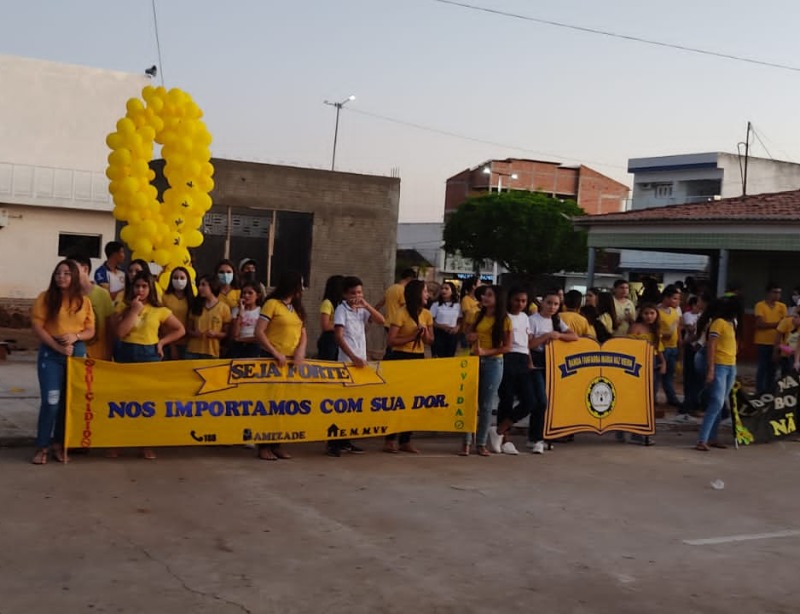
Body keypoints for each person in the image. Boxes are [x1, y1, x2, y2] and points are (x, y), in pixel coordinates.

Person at [112, 271, 185, 459]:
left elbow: (180, 330)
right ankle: (116, 443)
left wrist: (162, 342)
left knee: (147, 403)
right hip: (126, 353)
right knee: (123, 401)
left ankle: (146, 444)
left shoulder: (160, 310)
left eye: (144, 286)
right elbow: (120, 332)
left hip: (149, 354)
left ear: (150, 289)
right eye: (137, 286)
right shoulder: (124, 306)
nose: (141, 290)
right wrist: (134, 311)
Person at [31, 260, 95, 465]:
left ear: (75, 277)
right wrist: (58, 347)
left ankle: (60, 444)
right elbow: (38, 327)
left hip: (76, 355)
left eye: (67, 273)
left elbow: (90, 330)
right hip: (52, 354)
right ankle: (42, 446)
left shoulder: (83, 301)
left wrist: (75, 336)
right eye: (58, 273)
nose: (61, 277)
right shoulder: (46, 298)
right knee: (52, 401)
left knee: (69, 402)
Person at [328, 275, 385, 457]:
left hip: (361, 360)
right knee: (341, 404)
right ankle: (334, 442)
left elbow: (381, 320)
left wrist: (366, 305)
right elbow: (339, 336)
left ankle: (347, 439)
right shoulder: (341, 310)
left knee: (354, 405)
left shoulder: (361, 310)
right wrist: (352, 356)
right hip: (347, 361)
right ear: (345, 294)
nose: (356, 296)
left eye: (359, 292)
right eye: (353, 293)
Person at [255, 270, 308, 461]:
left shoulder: (296, 308)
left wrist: (300, 352)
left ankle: (277, 443)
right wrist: (275, 352)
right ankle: (263, 445)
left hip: (290, 362)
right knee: (269, 403)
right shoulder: (272, 304)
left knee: (284, 404)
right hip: (271, 359)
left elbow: (303, 333)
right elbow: (259, 332)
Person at [461, 284, 512, 456]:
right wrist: (470, 337)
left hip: (493, 363)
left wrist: (486, 352)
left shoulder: (504, 320)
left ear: (498, 299)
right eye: (484, 295)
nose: (485, 298)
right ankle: (466, 442)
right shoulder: (477, 315)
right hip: (474, 360)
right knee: (469, 402)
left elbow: (507, 347)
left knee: (486, 404)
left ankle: (481, 442)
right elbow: (467, 336)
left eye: (489, 295)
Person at [384, 279, 434, 453]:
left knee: (413, 400)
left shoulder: (426, 314)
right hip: (400, 357)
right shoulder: (401, 313)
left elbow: (430, 341)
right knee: (397, 399)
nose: (427, 295)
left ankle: (406, 439)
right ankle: (390, 438)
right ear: (416, 294)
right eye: (425, 291)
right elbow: (391, 340)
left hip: (418, 357)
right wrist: (411, 337)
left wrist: (424, 333)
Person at [528, 289, 578, 454]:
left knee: (544, 402)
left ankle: (535, 436)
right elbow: (529, 344)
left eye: (556, 304)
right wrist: (546, 336)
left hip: (551, 364)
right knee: (541, 401)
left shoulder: (557, 321)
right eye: (549, 303)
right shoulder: (532, 320)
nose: (552, 307)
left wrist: (558, 335)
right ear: (542, 302)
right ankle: (538, 438)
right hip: (535, 363)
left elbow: (574, 336)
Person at [493, 287, 534, 456]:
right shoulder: (504, 317)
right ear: (509, 300)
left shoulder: (525, 317)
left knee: (529, 400)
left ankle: (501, 429)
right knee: (506, 397)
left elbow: (526, 341)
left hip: (523, 358)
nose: (520, 304)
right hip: (508, 356)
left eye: (523, 301)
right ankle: (505, 439)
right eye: (517, 300)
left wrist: (530, 360)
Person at [697, 297, 740, 451]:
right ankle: (703, 439)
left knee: (719, 403)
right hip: (720, 365)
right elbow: (711, 347)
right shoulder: (718, 323)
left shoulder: (731, 323)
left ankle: (712, 437)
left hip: (730, 364)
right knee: (717, 402)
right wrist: (711, 369)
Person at [627, 303, 667, 446]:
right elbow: (628, 348)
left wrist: (663, 362)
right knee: (638, 400)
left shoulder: (656, 329)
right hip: (638, 366)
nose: (649, 316)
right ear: (641, 314)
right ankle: (635, 431)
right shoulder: (635, 328)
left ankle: (641, 432)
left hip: (653, 364)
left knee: (650, 399)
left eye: (652, 313)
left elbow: (659, 348)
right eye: (646, 313)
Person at [71, 254, 114, 361]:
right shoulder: (67, 295)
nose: (69, 273)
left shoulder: (102, 294)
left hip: (99, 356)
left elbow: (109, 326)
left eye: (72, 269)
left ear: (85, 269)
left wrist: (109, 352)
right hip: (75, 357)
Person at [185, 274, 232, 360]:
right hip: (193, 351)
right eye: (199, 285)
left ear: (212, 286)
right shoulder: (196, 306)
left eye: (203, 285)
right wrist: (194, 333)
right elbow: (188, 328)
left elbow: (226, 332)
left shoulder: (224, 308)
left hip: (211, 352)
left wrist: (216, 334)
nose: (200, 288)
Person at [754, 282, 787, 394]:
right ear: (768, 293)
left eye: (779, 293)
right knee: (762, 367)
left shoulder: (782, 306)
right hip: (762, 341)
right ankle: (760, 391)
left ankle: (769, 392)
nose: (777, 295)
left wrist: (774, 325)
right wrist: (777, 324)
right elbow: (760, 324)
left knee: (773, 369)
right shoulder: (760, 305)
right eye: (775, 292)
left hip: (777, 342)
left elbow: (785, 324)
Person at [376, 268, 416, 358]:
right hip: (397, 323)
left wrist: (372, 313)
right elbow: (405, 307)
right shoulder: (402, 290)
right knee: (394, 347)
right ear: (410, 278)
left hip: (388, 322)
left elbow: (381, 303)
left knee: (390, 346)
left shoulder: (391, 288)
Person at [657, 285, 683, 408]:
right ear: (666, 298)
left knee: (669, 375)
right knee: (657, 375)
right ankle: (653, 398)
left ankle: (671, 398)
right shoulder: (656, 312)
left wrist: (680, 343)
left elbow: (678, 329)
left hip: (673, 347)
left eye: (678, 299)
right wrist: (662, 336)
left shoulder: (674, 312)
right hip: (662, 348)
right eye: (674, 299)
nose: (677, 302)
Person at [161, 266, 195, 360]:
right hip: (168, 342)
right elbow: (162, 323)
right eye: (175, 278)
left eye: (182, 278)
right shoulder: (165, 297)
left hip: (189, 344)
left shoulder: (192, 299)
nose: (179, 280)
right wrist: (172, 345)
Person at [229, 281, 264, 358]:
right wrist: (241, 312)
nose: (246, 296)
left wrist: (241, 339)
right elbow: (234, 334)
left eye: (250, 293)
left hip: (254, 346)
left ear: (257, 295)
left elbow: (261, 335)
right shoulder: (236, 310)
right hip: (238, 346)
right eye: (244, 293)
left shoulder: (261, 311)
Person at [430, 281, 462, 358]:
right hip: (439, 334)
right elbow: (430, 321)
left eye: (446, 289)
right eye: (442, 288)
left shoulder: (457, 306)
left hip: (452, 334)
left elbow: (460, 320)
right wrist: (441, 326)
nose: (443, 291)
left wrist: (457, 327)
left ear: (452, 291)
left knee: (450, 356)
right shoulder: (436, 305)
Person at [317, 275, 344, 361]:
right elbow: (325, 325)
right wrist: (341, 326)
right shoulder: (327, 303)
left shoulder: (340, 304)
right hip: (329, 339)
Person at [777, 310, 800, 377]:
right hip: (790, 356)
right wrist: (796, 362)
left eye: (796, 317)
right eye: (794, 317)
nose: (794, 319)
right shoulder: (787, 322)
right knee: (788, 378)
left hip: (793, 356)